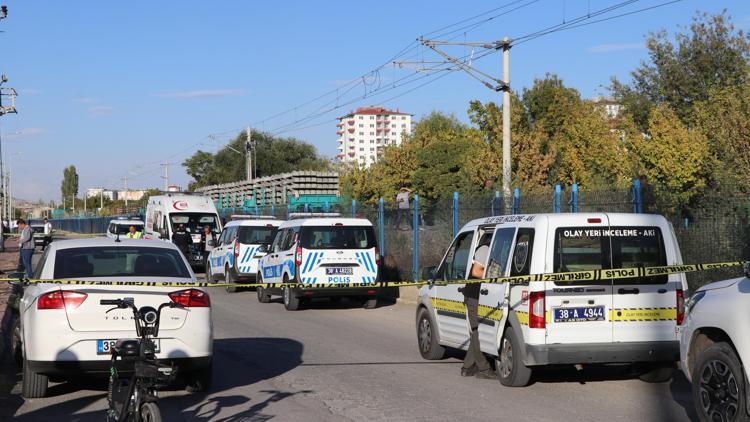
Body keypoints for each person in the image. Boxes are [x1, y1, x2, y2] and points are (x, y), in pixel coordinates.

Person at [461, 235, 496, 379]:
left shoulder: (490, 249)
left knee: (477, 331)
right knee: (476, 332)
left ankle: (468, 367)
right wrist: (494, 276)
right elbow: (476, 272)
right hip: (474, 295)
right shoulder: (485, 248)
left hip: (483, 295)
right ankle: (483, 368)